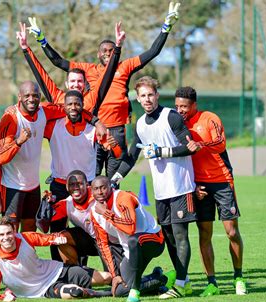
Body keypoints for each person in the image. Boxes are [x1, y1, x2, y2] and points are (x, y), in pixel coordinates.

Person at [26, 2, 181, 180]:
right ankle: (60, 175)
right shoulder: (88, 69)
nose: (108, 53)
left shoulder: (126, 66)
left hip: (116, 129)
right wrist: (41, 40)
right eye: (104, 50)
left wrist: (166, 27)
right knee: (91, 176)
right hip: (93, 127)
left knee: (112, 180)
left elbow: (153, 52)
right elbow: (59, 62)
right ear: (98, 54)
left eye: (111, 50)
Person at [113, 76, 197, 299]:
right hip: (161, 191)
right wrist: (117, 176)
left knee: (180, 236)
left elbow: (189, 147)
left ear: (157, 95)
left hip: (180, 186)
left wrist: (161, 152)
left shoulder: (171, 116)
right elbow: (132, 156)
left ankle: (179, 284)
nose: (147, 99)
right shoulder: (140, 124)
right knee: (169, 237)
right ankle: (185, 281)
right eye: (143, 96)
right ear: (138, 99)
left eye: (151, 94)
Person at [0, 81, 103, 233]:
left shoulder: (44, 111)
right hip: (13, 185)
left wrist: (96, 121)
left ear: (40, 97)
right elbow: (1, 157)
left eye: (35, 95)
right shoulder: (11, 118)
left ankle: (29, 258)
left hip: (33, 185)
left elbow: (73, 108)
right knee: (9, 231)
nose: (31, 99)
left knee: (30, 230)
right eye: (27, 96)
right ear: (19, 97)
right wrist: (18, 141)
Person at [174, 86, 247, 296]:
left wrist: (200, 144)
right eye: (177, 106)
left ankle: (238, 278)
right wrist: (193, 186)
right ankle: (212, 283)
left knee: (232, 232)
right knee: (205, 234)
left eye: (185, 107)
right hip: (199, 186)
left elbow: (220, 143)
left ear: (194, 105)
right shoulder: (177, 124)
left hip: (222, 181)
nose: (180, 110)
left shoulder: (209, 118)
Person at [0, 216, 112, 301]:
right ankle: (110, 294)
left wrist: (57, 238)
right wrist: (2, 298)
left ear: (14, 231)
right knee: (75, 292)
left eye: (9, 233)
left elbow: (46, 238)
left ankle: (123, 286)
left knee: (107, 277)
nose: (6, 237)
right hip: (43, 290)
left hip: (56, 270)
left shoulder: (25, 238)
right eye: (1, 234)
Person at [90, 176, 173, 302]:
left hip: (153, 240)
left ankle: (136, 291)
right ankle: (161, 279)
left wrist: (106, 213)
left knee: (134, 240)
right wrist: (115, 275)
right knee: (120, 291)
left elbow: (130, 228)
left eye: (103, 188)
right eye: (96, 189)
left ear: (110, 188)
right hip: (131, 250)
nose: (100, 192)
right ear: (92, 191)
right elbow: (103, 244)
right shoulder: (94, 213)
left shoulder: (123, 198)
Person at [44, 90, 122, 202]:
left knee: (88, 219)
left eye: (77, 104)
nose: (73, 107)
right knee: (57, 219)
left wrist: (114, 145)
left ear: (83, 105)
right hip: (60, 185)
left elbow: (117, 153)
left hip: (86, 185)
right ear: (64, 107)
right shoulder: (53, 126)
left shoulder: (94, 129)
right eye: (69, 104)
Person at [48, 170, 124, 269]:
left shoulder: (99, 194)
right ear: (67, 187)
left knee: (117, 280)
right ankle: (77, 274)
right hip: (91, 241)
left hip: (111, 242)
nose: (75, 188)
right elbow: (43, 226)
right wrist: (47, 205)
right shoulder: (65, 204)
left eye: (79, 184)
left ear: (87, 184)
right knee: (62, 237)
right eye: (72, 184)